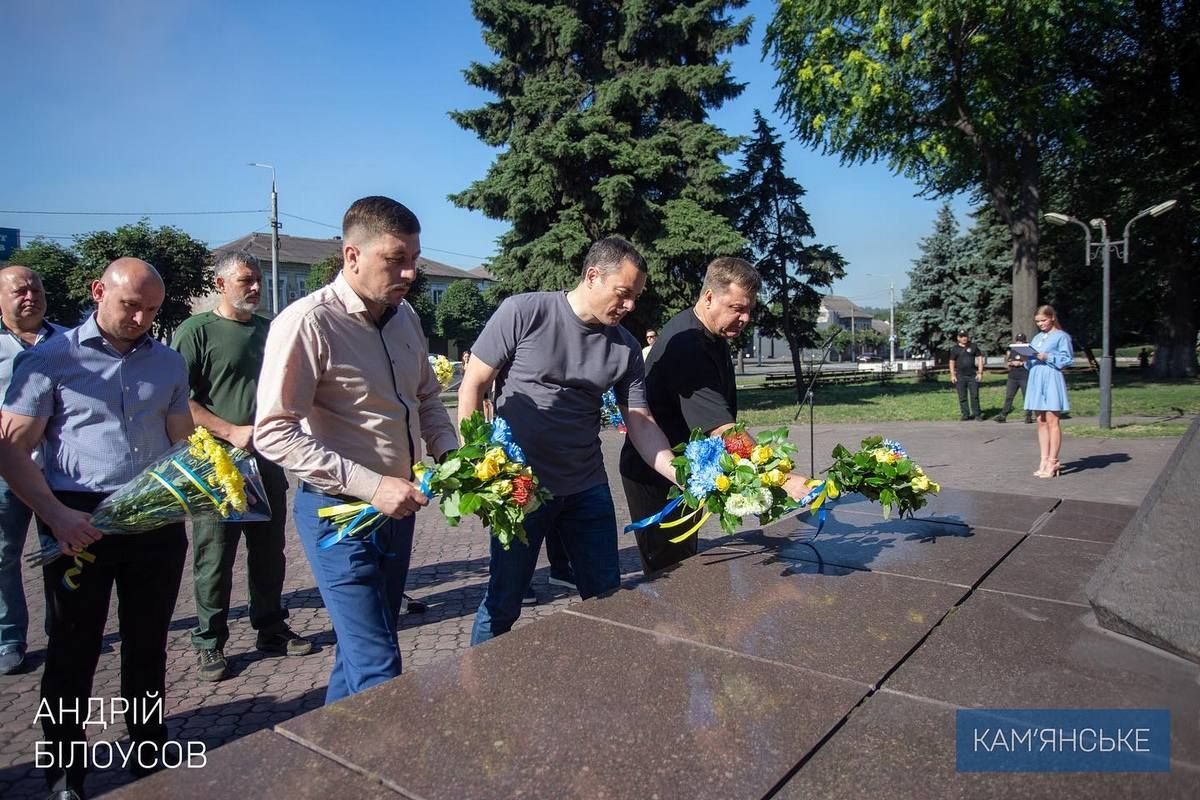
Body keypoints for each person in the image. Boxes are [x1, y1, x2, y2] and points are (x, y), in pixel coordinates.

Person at [0, 258, 193, 799]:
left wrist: (202, 485)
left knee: (148, 643)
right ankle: (65, 773)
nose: (141, 319)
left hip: (153, 516)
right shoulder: (50, 360)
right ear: (98, 291)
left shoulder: (169, 363)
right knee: (72, 648)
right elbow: (11, 450)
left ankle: (149, 749)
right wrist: (55, 515)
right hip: (77, 519)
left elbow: (182, 441)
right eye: (131, 306)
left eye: (151, 310)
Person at [254, 196, 458, 704]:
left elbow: (427, 398)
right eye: (396, 260)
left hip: (398, 513)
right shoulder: (308, 322)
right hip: (338, 518)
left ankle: (330, 748)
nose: (409, 273)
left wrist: (450, 453)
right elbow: (273, 432)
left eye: (415, 259)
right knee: (379, 666)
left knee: (361, 654)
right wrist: (371, 485)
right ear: (352, 256)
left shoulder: (406, 317)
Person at [459, 236, 677, 644]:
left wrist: (678, 471)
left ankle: (607, 675)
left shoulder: (626, 348)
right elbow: (473, 385)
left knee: (608, 599)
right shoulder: (524, 312)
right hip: (520, 489)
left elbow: (641, 421)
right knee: (503, 603)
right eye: (623, 293)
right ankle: (474, 681)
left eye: (636, 297)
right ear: (592, 276)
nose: (630, 305)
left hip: (586, 489)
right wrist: (479, 467)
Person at [171, 253, 312, 682]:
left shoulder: (270, 330)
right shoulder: (197, 332)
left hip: (266, 461)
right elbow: (176, 400)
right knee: (215, 556)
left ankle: (270, 627)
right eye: (246, 281)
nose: (255, 288)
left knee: (268, 551)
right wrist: (230, 431)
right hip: (217, 464)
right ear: (220, 284)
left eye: (258, 281)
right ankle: (209, 641)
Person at [619, 257, 810, 573]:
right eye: (737, 308)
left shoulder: (712, 333)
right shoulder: (689, 346)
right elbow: (722, 430)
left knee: (685, 562)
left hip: (688, 469)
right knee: (670, 575)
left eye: (749, 310)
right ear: (709, 297)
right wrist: (782, 478)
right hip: (657, 474)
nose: (745, 318)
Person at [0, 266, 67, 675]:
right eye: (20, 291)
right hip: (5, 470)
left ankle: (63, 628)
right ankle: (8, 637)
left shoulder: (66, 341)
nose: (31, 297)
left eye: (37, 289)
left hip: (58, 468)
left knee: (62, 550)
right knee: (3, 554)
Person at [1025, 305, 1073, 478]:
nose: (1040, 324)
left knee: (1053, 420)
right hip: (1036, 377)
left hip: (1051, 376)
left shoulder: (1061, 336)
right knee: (1041, 420)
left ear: (1052, 317)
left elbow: (1067, 359)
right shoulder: (1037, 337)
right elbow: (1030, 359)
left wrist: (1048, 357)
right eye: (1037, 322)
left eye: (1043, 320)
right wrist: (1024, 359)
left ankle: (1053, 461)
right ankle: (1043, 459)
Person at [994, 333, 1034, 424]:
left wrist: (1021, 363)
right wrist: (1011, 363)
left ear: (1025, 342)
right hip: (1013, 377)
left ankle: (1028, 416)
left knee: (1026, 397)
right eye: (1018, 341)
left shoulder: (1028, 351)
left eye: (1021, 341)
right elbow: (1008, 362)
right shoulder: (1013, 350)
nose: (1019, 343)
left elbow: (1031, 362)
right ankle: (1003, 415)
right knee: (1009, 396)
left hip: (1024, 376)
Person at [948, 329, 984, 420]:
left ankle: (977, 414)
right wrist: (952, 375)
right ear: (958, 338)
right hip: (960, 376)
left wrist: (980, 372)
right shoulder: (955, 349)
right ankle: (965, 414)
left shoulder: (973, 346)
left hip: (972, 376)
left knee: (974, 396)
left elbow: (980, 358)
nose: (964, 338)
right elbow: (952, 362)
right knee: (962, 397)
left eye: (965, 336)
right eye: (962, 336)